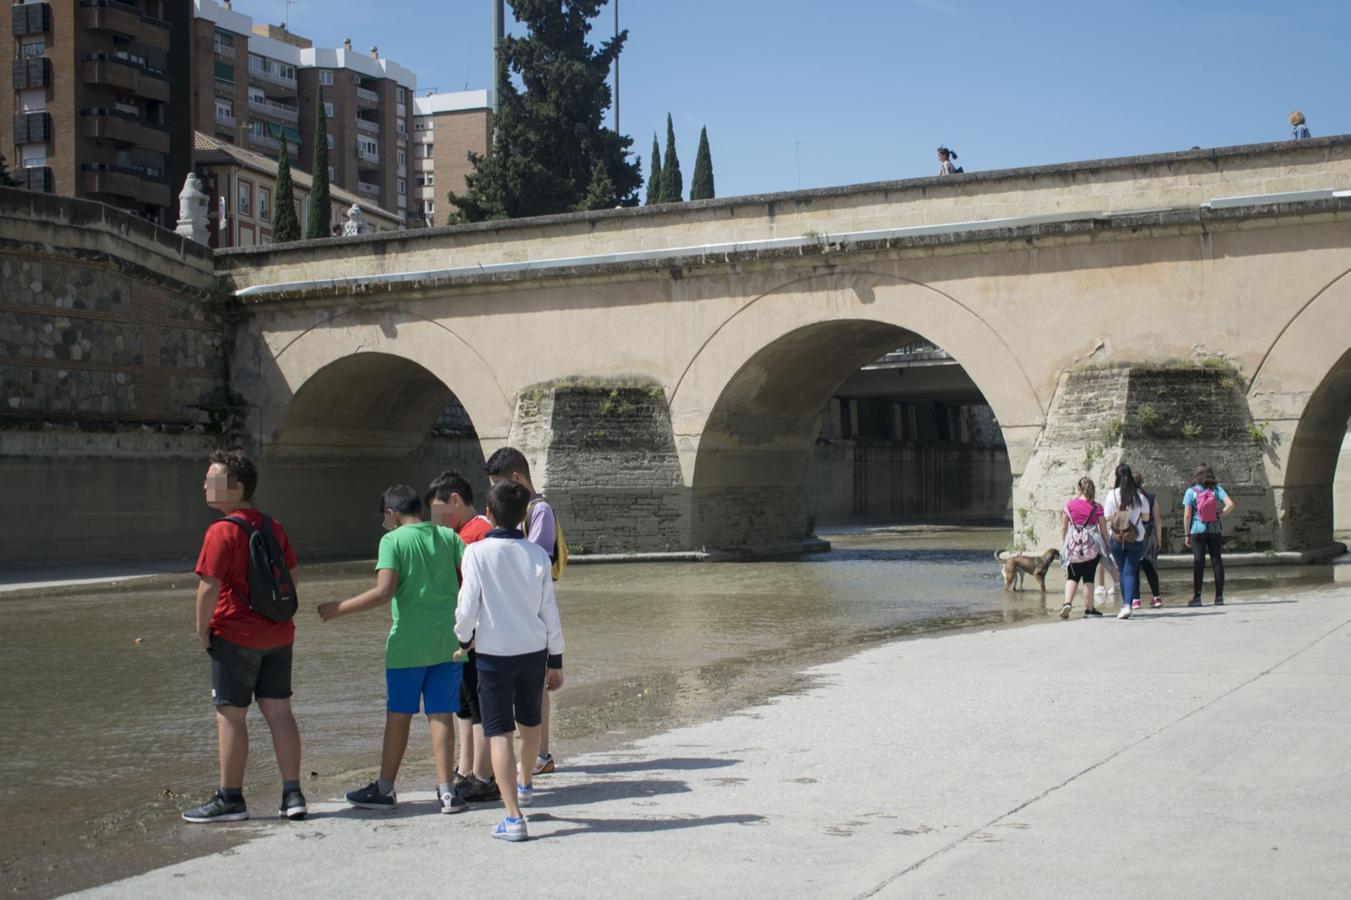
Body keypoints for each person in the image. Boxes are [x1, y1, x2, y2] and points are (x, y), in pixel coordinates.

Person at [318, 485, 468, 814]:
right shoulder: (448, 537)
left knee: (399, 716)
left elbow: (384, 592)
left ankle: (385, 789)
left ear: (391, 513)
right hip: (448, 641)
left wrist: (339, 608)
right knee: (441, 714)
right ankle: (447, 792)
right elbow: (470, 578)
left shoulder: (392, 540)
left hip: (407, 647)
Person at [181, 449, 305, 824]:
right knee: (280, 712)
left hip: (236, 636)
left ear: (235, 488)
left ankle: (231, 799)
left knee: (231, 715)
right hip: (279, 634)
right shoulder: (272, 526)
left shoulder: (221, 531)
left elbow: (208, 588)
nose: (204, 484)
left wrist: (202, 631)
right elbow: (293, 579)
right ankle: (293, 794)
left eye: (212, 478)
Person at [455, 481, 565, 842]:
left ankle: (513, 817)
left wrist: (463, 637)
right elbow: (549, 610)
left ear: (488, 514)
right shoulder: (536, 555)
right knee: (530, 723)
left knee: (498, 732)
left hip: (493, 655)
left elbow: (468, 605)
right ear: (523, 518)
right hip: (533, 651)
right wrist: (557, 658)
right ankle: (526, 782)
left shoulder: (476, 553)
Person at [484, 446, 561, 775]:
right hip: (520, 609)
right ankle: (535, 754)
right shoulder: (528, 511)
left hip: (532, 610)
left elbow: (539, 559)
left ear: (514, 479)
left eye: (497, 484)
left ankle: (541, 754)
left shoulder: (539, 510)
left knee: (538, 685)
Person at [426, 469, 499, 804]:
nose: (437, 521)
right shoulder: (474, 531)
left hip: (476, 635)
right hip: (467, 634)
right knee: (466, 703)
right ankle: (467, 770)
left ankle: (482, 776)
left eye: (439, 512)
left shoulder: (474, 536)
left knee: (479, 705)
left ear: (455, 500)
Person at [1182, 464, 1235, 606]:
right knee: (1216, 560)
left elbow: (1187, 515)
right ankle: (1219, 597)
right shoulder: (1216, 489)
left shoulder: (1191, 491)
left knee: (1199, 562)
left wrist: (1187, 534)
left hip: (1197, 530)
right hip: (1214, 529)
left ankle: (1197, 597)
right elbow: (1230, 505)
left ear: (1197, 476)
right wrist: (1220, 514)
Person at [1059, 477, 1110, 619]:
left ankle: (1067, 603)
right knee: (1088, 578)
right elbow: (1103, 530)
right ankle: (1089, 610)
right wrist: (1107, 546)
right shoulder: (1097, 507)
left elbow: (1063, 527)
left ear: (1079, 489)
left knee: (1072, 576)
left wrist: (1065, 545)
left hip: (1073, 546)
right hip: (1092, 547)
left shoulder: (1069, 506)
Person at [1103, 464, 1149, 620]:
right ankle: (1128, 605)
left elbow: (1107, 517)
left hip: (1116, 537)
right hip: (1135, 537)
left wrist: (1120, 518)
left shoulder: (1111, 495)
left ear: (1116, 476)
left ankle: (1125, 605)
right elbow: (1146, 518)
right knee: (1130, 571)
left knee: (1121, 570)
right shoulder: (1140, 496)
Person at [1130, 473, 1164, 610]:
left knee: (1134, 568)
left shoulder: (1128, 497)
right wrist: (1159, 539)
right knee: (1149, 567)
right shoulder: (1150, 497)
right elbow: (1157, 520)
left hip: (1133, 535)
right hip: (1148, 535)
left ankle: (1136, 600)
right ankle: (1156, 597)